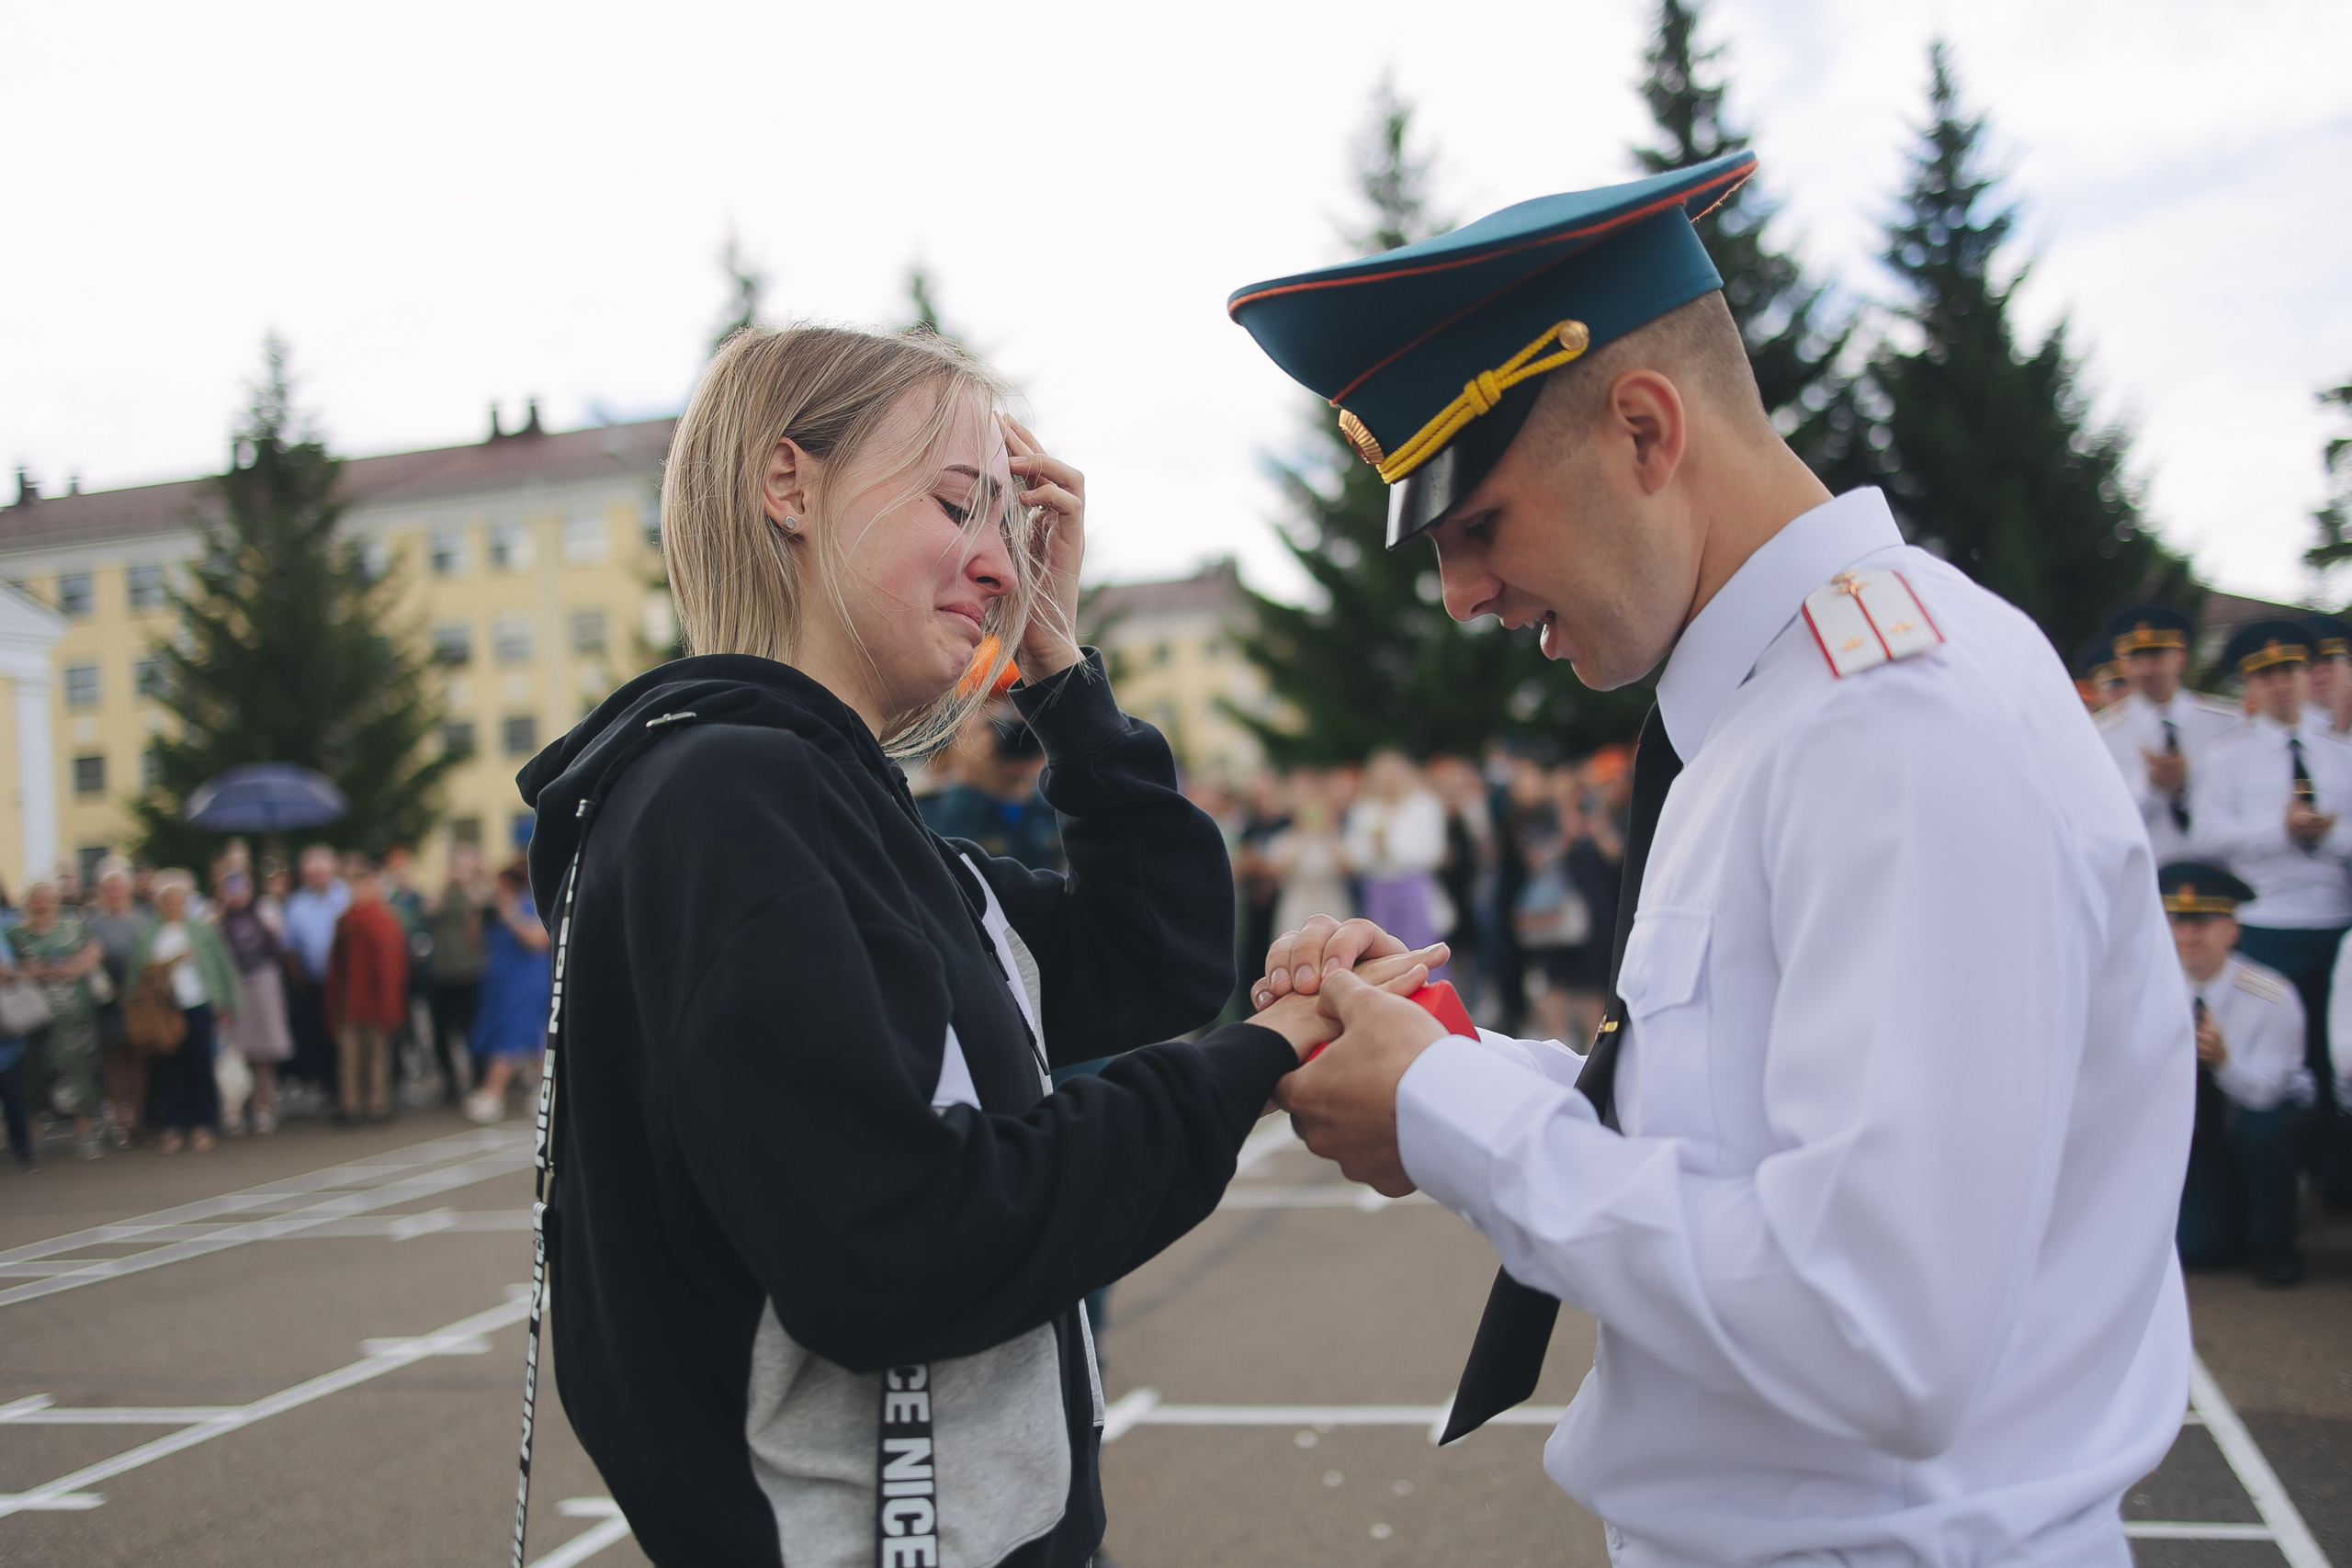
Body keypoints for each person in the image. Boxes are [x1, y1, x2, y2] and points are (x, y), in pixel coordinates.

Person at [1234, 152, 2191, 1562]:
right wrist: (1442, 1056)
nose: (1463, 596)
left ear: (1642, 428)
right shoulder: (1773, 708)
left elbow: (1879, 1326)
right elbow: (1726, 1138)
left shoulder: (1892, 721)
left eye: (1478, 524)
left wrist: (1453, 1115)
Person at [510, 322, 1436, 1568]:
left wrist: (1060, 665)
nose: (999, 563)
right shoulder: (722, 798)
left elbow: (1156, 954)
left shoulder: (855, 817)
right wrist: (1255, 1057)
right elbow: (905, 1237)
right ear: (788, 485)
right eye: (960, 505)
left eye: (1015, 527)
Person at [2193, 620, 2352, 1144]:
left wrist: (2324, 838)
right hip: (2267, 923)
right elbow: (2208, 836)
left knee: (2338, 1056)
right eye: (2266, 677)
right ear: (2250, 688)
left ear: (2308, 676)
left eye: (2289, 672)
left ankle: (2335, 1175)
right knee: (2269, 1056)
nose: (2281, 686)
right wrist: (2278, 831)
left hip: (2334, 920)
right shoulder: (2227, 754)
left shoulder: (2339, 749)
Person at [2161, 863, 2312, 1286]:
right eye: (2177, 922)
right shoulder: (2148, 992)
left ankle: (2275, 1247)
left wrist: (2223, 1061)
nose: (2189, 936)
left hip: (2246, 1121)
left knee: (2266, 1131)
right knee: (2201, 1249)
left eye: (2203, 923)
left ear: (2232, 930)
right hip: (2188, 1134)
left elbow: (2266, 1094)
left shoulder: (2270, 994)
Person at [2094, 603, 2242, 864]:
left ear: (2181, 657)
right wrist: (2150, 785)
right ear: (2121, 663)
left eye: (2156, 656)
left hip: (2218, 873)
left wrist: (2187, 783)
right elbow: (2101, 819)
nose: (2146, 669)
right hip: (2147, 872)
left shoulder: (2228, 723)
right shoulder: (2101, 733)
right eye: (2135, 658)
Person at [127, 871, 238, 1154]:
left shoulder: (201, 930)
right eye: (168, 901)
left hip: (198, 1003)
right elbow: (138, 975)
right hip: (166, 1011)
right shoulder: (150, 934)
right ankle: (174, 1125)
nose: (173, 906)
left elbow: (223, 966)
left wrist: (226, 1002)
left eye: (178, 900)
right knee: (170, 1069)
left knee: (201, 1065)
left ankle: (203, 1124)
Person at [12, 880, 107, 1159]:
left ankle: (85, 1133)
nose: (43, 905)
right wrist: (38, 971)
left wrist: (74, 968)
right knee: (31, 1073)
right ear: (28, 904)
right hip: (31, 1014)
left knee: (77, 1069)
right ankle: (34, 1138)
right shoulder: (15, 934)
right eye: (37, 900)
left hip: (73, 1014)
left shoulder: (73, 926)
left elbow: (94, 952)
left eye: (48, 900)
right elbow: (12, 967)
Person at [917, 704, 1063, 870]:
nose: (1015, 736)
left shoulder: (1060, 809)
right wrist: (966, 780)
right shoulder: (926, 812)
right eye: (994, 727)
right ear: (960, 740)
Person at [460, 859, 549, 1124]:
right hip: (500, 984)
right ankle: (544, 1089)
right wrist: (476, 915)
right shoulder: (493, 911)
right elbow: (476, 944)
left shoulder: (527, 905)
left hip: (526, 983)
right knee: (534, 1040)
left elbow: (538, 941)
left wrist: (510, 914)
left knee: (513, 1035)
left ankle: (492, 1092)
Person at [1343, 749, 1449, 963]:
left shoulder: (1423, 806)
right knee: (1381, 954)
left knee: (1419, 951)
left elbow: (1432, 852)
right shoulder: (1364, 809)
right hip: (1377, 888)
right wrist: (1373, 850)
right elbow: (1354, 855)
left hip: (1413, 887)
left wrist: (1390, 848)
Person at [325, 862, 410, 1124]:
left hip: (373, 1000)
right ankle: (352, 1105)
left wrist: (390, 1005)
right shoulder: (348, 920)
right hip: (351, 1000)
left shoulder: (380, 919)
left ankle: (376, 1105)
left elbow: (390, 968)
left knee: (376, 1056)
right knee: (351, 1058)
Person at [215, 862, 292, 1133]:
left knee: (264, 1050)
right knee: (235, 1051)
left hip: (262, 981)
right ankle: (235, 1108)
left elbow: (279, 944)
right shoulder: (217, 917)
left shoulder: (264, 909)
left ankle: (264, 1106)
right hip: (233, 984)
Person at [85, 860, 154, 1147]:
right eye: (109, 887)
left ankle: (137, 1118)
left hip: (139, 998)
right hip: (108, 999)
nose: (114, 892)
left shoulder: (143, 919)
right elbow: (90, 963)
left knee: (137, 1056)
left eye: (119, 886)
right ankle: (119, 1119)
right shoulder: (92, 924)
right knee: (112, 1057)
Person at [281, 844, 349, 1095]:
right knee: (322, 1034)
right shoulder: (296, 904)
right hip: (315, 981)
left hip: (345, 980)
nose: (317, 878)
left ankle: (351, 1084)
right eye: (312, 874)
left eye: (322, 872)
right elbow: (290, 948)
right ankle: (330, 1084)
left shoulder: (346, 895)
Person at [425, 842, 488, 1104]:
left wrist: (468, 884)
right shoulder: (444, 892)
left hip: (471, 972)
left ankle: (478, 1079)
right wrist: (446, 884)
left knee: (473, 1030)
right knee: (440, 1032)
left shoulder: (480, 890)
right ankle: (450, 1082)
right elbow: (429, 910)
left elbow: (481, 910)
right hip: (443, 972)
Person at [2304, 614, 2352, 735]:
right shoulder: (2286, 725)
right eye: (2310, 667)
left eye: (2329, 666)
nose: (2321, 678)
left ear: (2348, 668)